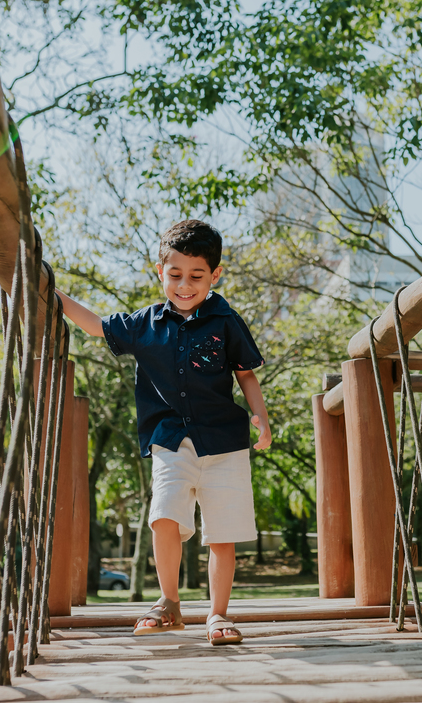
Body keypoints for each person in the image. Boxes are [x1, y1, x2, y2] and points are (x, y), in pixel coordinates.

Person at [57, 219, 270, 645]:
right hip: (169, 441)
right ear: (161, 272)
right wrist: (52, 292)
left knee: (222, 533)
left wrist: (260, 417)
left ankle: (218, 614)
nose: (185, 285)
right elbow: (96, 325)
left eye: (196, 276)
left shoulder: (226, 320)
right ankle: (169, 602)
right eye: (175, 275)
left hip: (224, 441)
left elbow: (245, 374)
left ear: (215, 275)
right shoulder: (145, 324)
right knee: (163, 517)